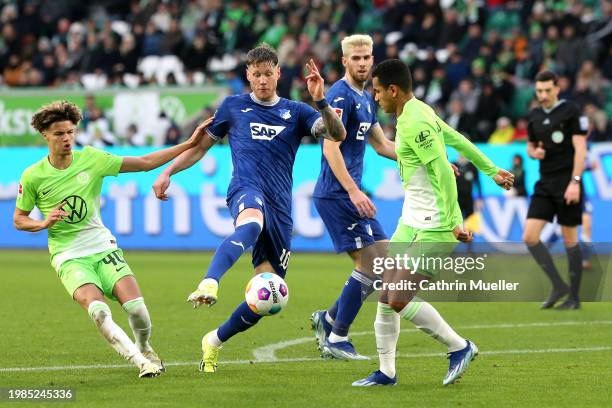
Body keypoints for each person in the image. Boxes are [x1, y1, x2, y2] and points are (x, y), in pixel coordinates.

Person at [152, 44, 346, 373]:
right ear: (248, 75)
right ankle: (210, 282)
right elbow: (200, 148)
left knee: (269, 296)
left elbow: (336, 133)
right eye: (256, 75)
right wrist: (168, 171)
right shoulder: (233, 107)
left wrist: (321, 100)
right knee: (251, 223)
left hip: (281, 208)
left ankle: (213, 340)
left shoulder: (297, 111)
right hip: (246, 188)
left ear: (278, 74)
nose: (262, 80)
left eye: (268, 74)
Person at [13, 100, 212, 378]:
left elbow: (144, 163)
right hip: (68, 255)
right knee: (98, 311)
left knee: (137, 309)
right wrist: (42, 223)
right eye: (59, 134)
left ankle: (144, 347)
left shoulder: (92, 159)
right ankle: (141, 363)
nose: (67, 138)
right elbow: (19, 218)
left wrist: (189, 143)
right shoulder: (33, 176)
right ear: (45, 135)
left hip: (101, 245)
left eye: (70, 132)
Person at [352, 59, 514, 387]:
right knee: (385, 296)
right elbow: (457, 138)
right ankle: (386, 372)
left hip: (436, 223)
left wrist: (455, 220)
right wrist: (491, 169)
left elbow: (442, 169)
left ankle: (460, 347)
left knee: (398, 298)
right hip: (411, 218)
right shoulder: (418, 110)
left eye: (379, 91)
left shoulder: (413, 122)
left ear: (394, 90)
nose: (376, 97)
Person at [309, 34, 397, 361]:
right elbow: (331, 146)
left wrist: (426, 158)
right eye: (355, 58)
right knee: (372, 264)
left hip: (350, 194)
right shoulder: (340, 96)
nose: (362, 63)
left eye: (366, 58)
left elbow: (383, 145)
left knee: (385, 260)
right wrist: (353, 189)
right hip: (338, 194)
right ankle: (337, 336)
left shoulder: (366, 98)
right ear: (344, 60)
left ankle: (329, 318)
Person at [523, 70, 588, 310]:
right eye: (539, 91)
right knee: (529, 237)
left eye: (547, 90)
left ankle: (574, 297)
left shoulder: (571, 111)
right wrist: (534, 153)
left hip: (567, 181)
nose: (543, 95)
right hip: (545, 182)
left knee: (570, 238)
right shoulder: (534, 115)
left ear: (557, 88)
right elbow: (530, 146)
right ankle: (558, 285)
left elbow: (581, 149)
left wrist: (576, 182)